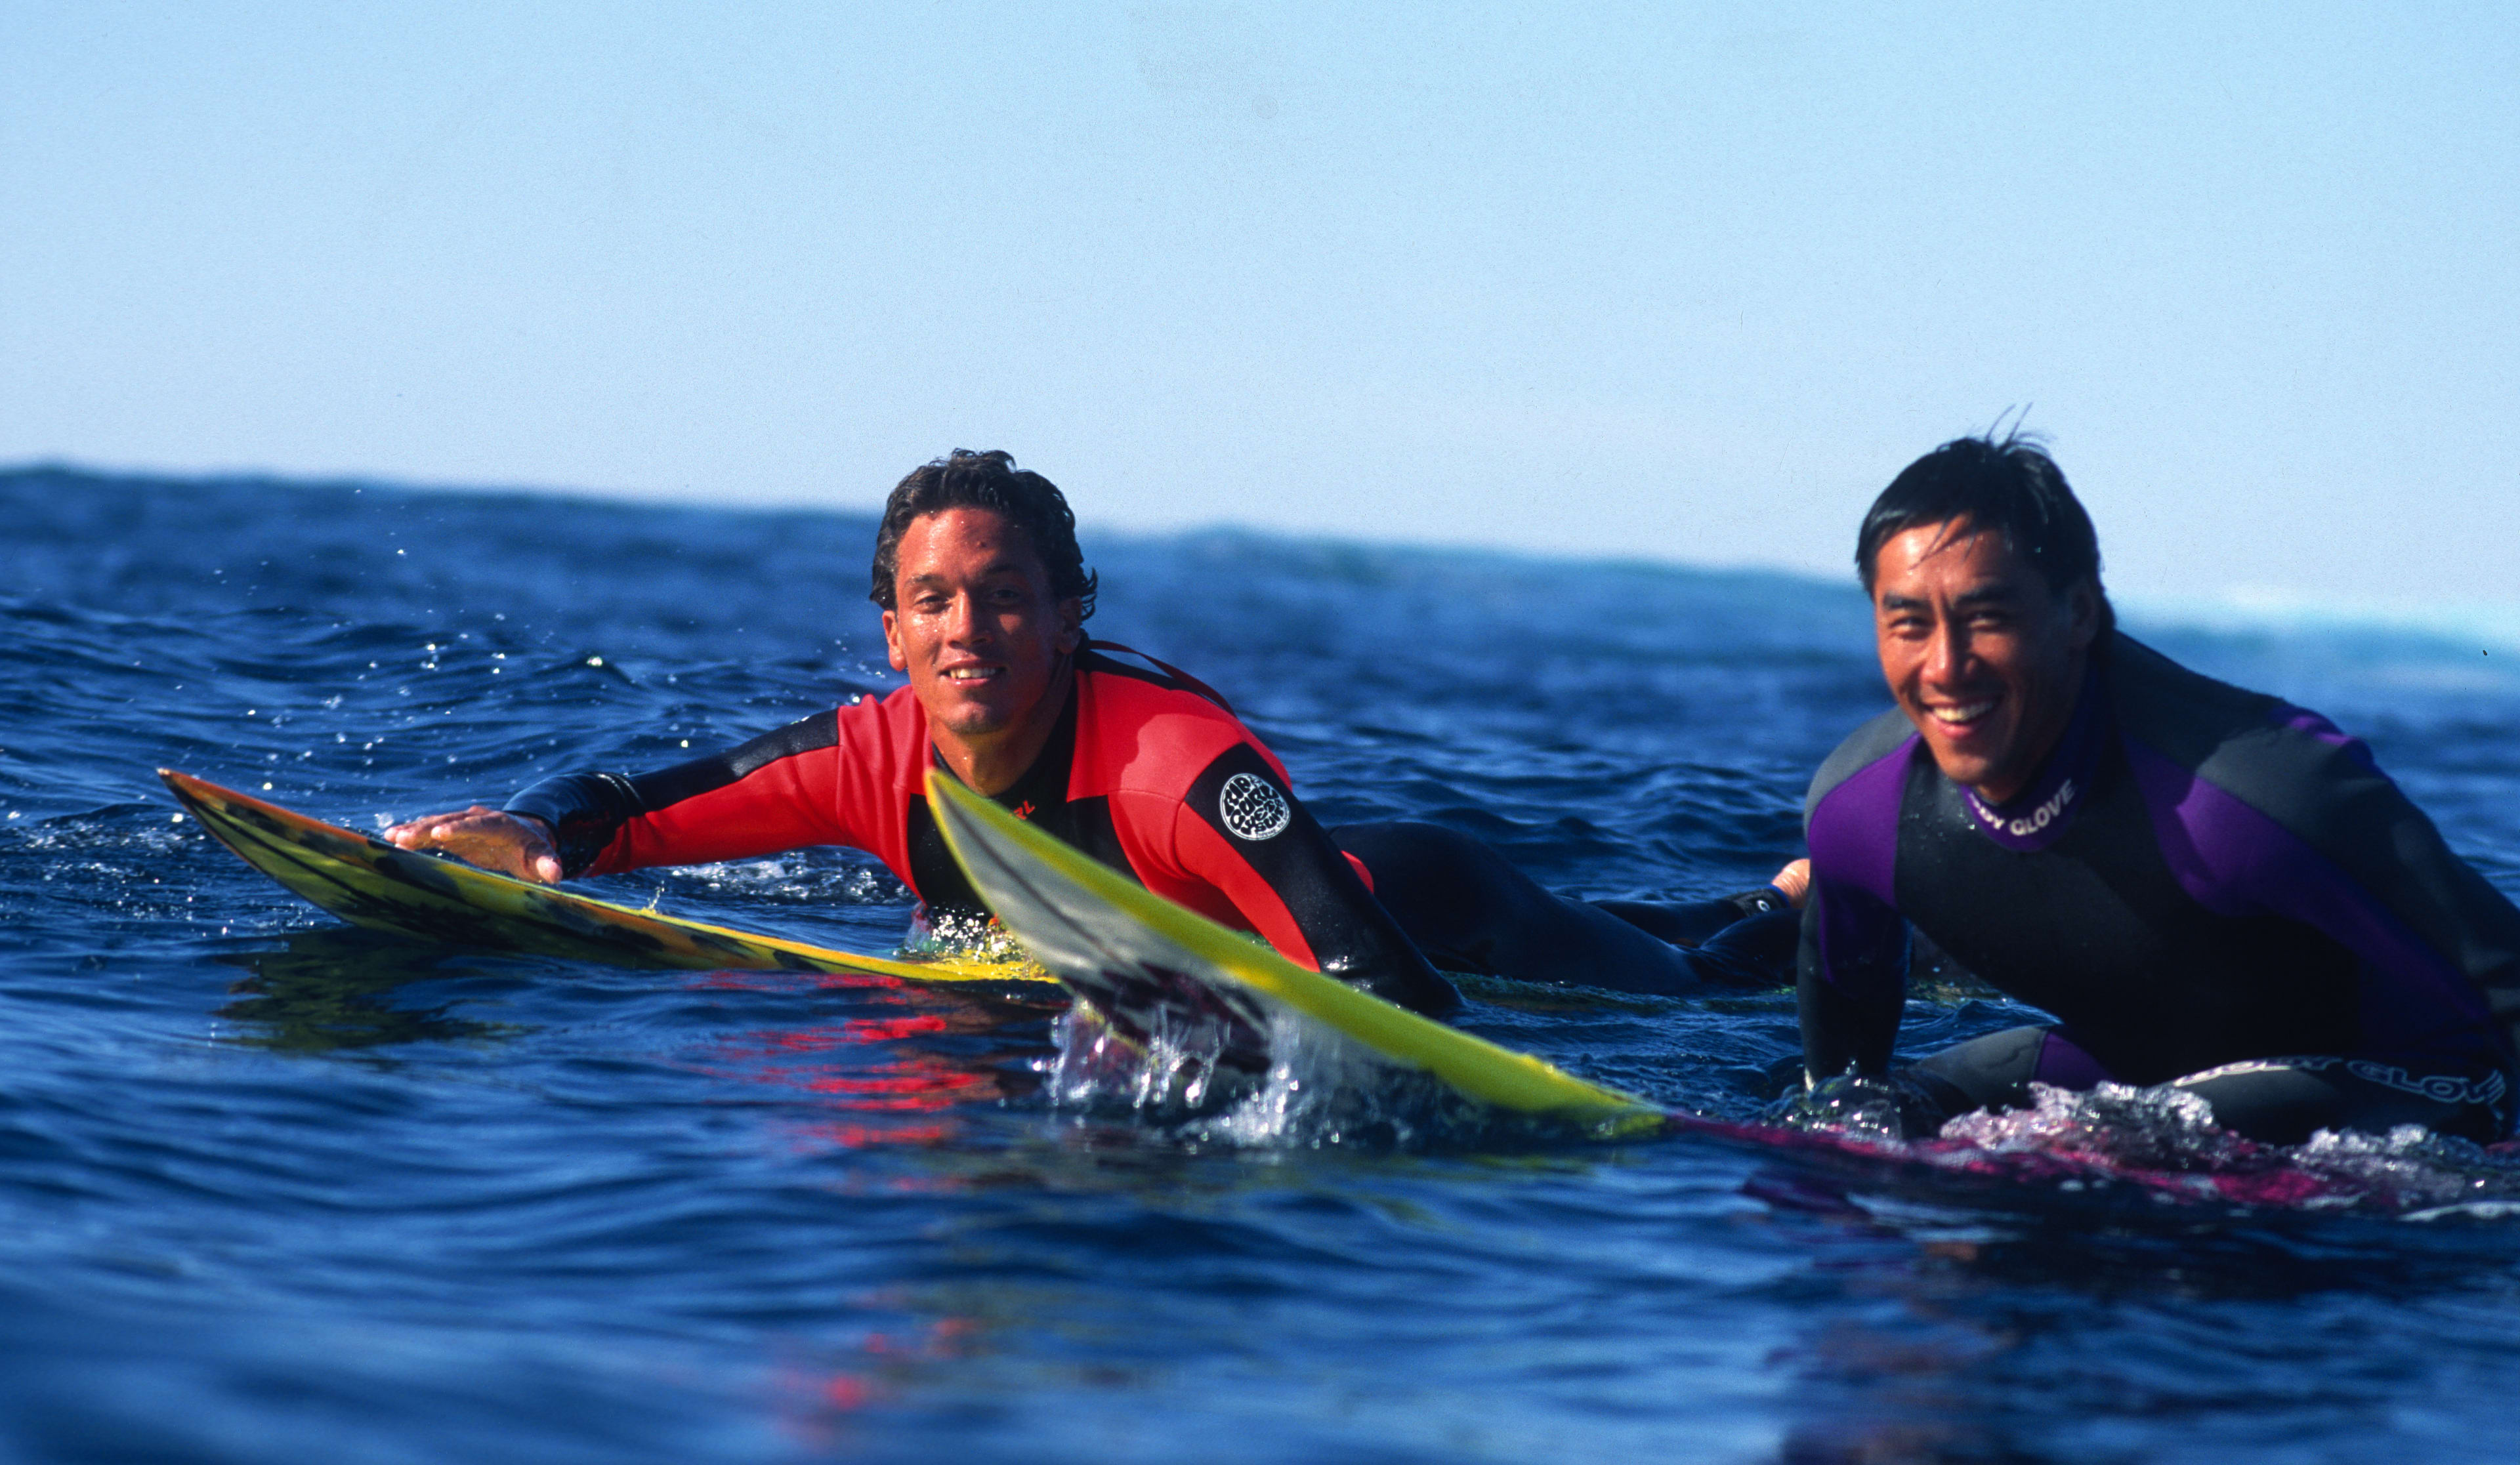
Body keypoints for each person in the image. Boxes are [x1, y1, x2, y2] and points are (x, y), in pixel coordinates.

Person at [389, 451, 1799, 1019]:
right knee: (1668, 919)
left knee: (1699, 979)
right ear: (890, 630)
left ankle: (1804, 904)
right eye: (932, 602)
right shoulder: (873, 759)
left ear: (1070, 617)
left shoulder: (1174, 763)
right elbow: (635, 805)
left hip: (1422, 907)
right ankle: (1769, 887)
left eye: (1007, 599)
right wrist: (536, 829)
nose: (967, 632)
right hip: (1262, 904)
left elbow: (1385, 983)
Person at [1796, 434, 2520, 1145]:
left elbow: (2503, 975)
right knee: (1868, 1120)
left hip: (2416, 1072)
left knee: (2106, 1145)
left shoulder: (2254, 792)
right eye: (1908, 625)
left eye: (1988, 618)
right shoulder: (1861, 811)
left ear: (2080, 611)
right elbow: (1839, 1063)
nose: (1946, 666)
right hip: (2147, 1065)